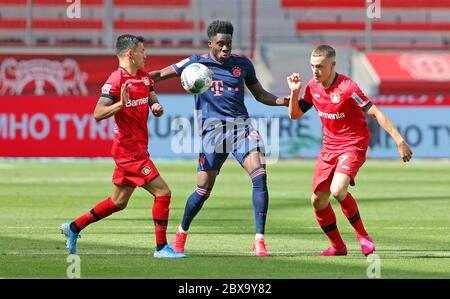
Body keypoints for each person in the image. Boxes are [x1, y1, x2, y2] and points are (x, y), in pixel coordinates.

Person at [150, 20, 289, 257]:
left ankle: (259, 240)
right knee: (203, 190)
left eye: (229, 44)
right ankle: (181, 233)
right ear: (210, 43)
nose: (225, 49)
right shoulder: (195, 63)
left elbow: (260, 94)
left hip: (241, 129)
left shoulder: (242, 64)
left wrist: (281, 101)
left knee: (260, 175)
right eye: (221, 44)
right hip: (212, 132)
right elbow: (157, 76)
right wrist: (139, 84)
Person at [60, 34, 185, 258]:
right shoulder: (115, 80)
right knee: (163, 193)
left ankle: (73, 227)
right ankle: (161, 248)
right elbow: (97, 113)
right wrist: (120, 104)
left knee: (117, 202)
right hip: (130, 154)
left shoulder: (145, 78)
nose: (145, 55)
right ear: (131, 54)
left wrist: (157, 107)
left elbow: (154, 100)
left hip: (138, 150)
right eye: (142, 51)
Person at [286, 45, 413, 256]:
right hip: (329, 147)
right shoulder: (312, 87)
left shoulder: (348, 88)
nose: (315, 71)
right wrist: (294, 91)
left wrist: (399, 141)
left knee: (337, 190)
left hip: (353, 144)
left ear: (332, 65)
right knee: (318, 201)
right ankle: (337, 246)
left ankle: (363, 235)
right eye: (312, 66)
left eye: (320, 66)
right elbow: (295, 115)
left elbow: (376, 114)